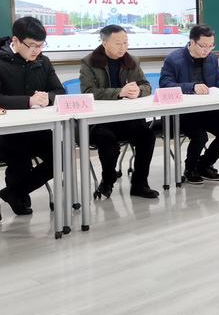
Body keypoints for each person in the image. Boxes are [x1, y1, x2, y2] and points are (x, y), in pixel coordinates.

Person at [80, 24, 159, 199]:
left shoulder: (132, 61)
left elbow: (146, 85)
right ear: (104, 43)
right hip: (100, 122)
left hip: (128, 119)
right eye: (118, 43)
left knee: (147, 137)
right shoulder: (89, 62)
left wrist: (139, 91)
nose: (123, 47)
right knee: (108, 142)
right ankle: (107, 181)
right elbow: (87, 92)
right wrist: (119, 92)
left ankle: (139, 184)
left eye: (125, 42)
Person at [0, 16, 65, 217]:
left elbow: (59, 91)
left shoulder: (43, 61)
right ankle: (18, 195)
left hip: (37, 128)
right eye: (32, 45)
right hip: (7, 132)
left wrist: (47, 98)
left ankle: (15, 193)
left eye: (41, 45)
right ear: (16, 40)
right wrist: (28, 101)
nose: (36, 50)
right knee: (20, 163)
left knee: (61, 157)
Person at [160, 23, 219, 184]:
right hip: (182, 112)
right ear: (192, 42)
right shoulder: (174, 59)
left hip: (206, 109)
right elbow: (165, 85)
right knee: (200, 136)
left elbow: (217, 79)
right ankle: (190, 169)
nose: (207, 50)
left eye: (211, 46)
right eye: (203, 46)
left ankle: (204, 165)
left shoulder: (212, 58)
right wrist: (192, 87)